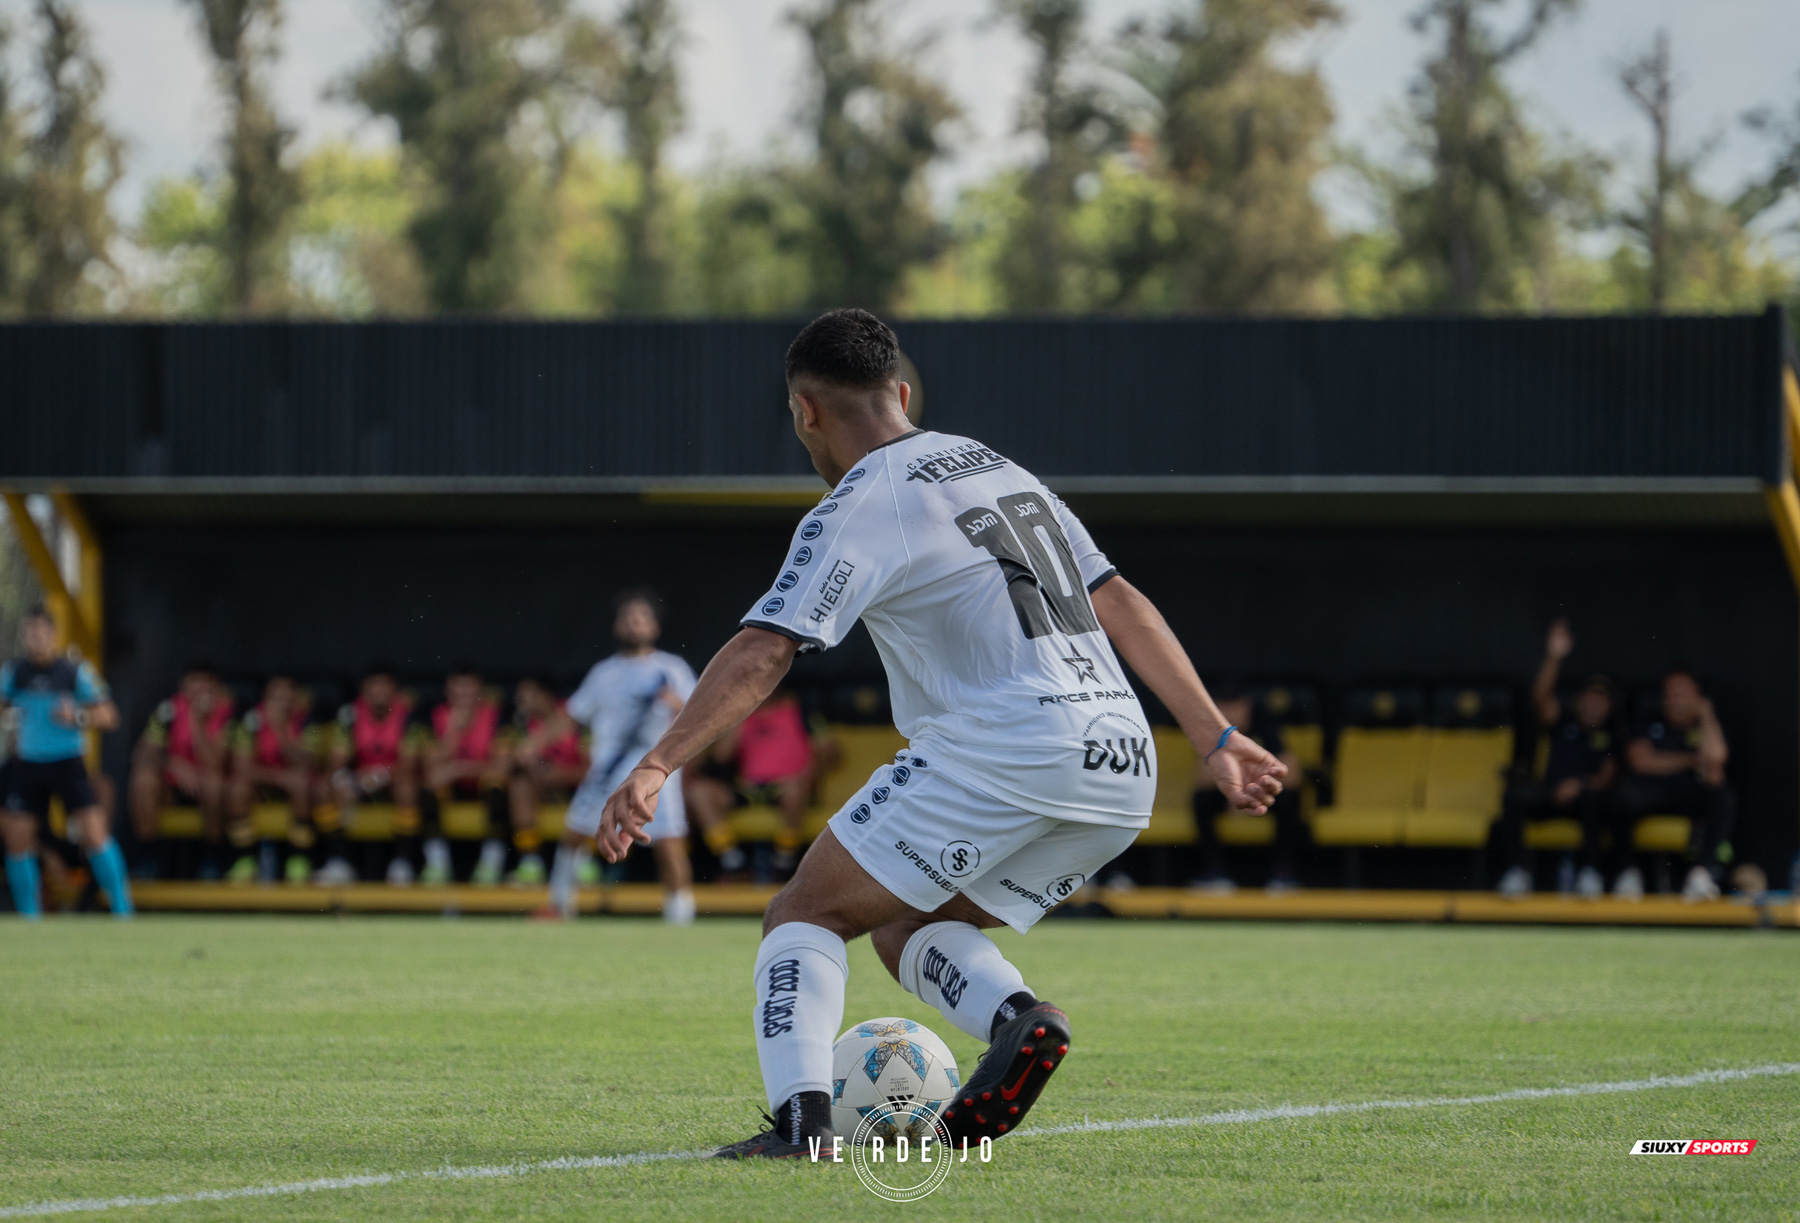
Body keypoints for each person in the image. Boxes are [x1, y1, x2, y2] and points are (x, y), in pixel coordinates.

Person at [595, 310, 1283, 1158]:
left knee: (803, 913)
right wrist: (1215, 738)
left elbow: (766, 648)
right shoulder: (1005, 471)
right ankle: (1020, 1021)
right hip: (1120, 762)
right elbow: (1122, 602)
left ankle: (802, 1127)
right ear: (903, 391)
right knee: (903, 925)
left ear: (805, 412)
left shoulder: (860, 501)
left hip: (1007, 744)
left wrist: (659, 762)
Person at [523, 590, 698, 923]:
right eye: (627, 618)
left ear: (654, 627)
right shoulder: (603, 672)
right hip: (606, 771)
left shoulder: (671, 669)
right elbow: (573, 716)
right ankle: (560, 906)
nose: (634, 623)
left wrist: (675, 702)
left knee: (668, 843)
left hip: (655, 773)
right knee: (573, 835)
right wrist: (535, 741)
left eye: (641, 617)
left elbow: (700, 715)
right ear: (617, 626)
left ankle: (681, 918)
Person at [1, 607, 129, 919]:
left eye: (41, 631)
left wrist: (78, 716)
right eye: (30, 632)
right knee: (18, 839)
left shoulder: (74, 672)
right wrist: (11, 720)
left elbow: (110, 716)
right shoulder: (14, 673)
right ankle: (31, 919)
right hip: (28, 764)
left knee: (95, 835)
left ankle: (124, 911)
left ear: (53, 634)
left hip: (67, 762)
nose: (36, 638)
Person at [1493, 619, 1622, 899]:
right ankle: (1518, 872)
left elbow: (1607, 777)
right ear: (1579, 700)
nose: (1593, 704)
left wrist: (1579, 784)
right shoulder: (1564, 722)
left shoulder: (1612, 734)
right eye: (1589, 697)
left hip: (1584, 798)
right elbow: (1540, 698)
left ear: (1609, 706)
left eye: (1601, 700)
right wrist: (1554, 655)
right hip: (1551, 794)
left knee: (1596, 800)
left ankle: (1590, 874)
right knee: (1513, 797)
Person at [1613, 668, 1736, 902]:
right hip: (1649, 793)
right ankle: (1627, 873)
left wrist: (1706, 715)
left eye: (1684, 693)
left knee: (1723, 797)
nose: (1678, 699)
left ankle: (1701, 874)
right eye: (1672, 693)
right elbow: (1640, 761)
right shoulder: (1649, 721)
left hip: (1687, 795)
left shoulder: (1705, 726)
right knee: (1620, 798)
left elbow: (1716, 767)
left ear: (1698, 697)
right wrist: (1690, 759)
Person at [686, 686, 821, 881]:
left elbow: (830, 752)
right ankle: (731, 860)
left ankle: (784, 859)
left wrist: (809, 774)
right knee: (699, 792)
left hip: (787, 786)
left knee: (794, 789)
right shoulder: (744, 715)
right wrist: (738, 715)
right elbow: (720, 757)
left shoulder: (800, 711)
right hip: (749, 788)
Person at [1188, 681, 1306, 894]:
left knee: (1290, 800)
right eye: (1222, 707)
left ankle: (1283, 875)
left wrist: (1253, 789)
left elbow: (1292, 775)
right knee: (1201, 800)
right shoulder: (1212, 732)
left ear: (1246, 705)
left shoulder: (1264, 724)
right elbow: (1201, 777)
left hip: (1264, 793)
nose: (1229, 712)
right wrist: (1234, 793)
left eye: (1234, 705)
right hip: (1225, 793)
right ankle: (1216, 874)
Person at [127, 663, 236, 879]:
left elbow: (215, 763)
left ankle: (211, 860)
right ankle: (147, 857)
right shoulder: (168, 711)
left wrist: (197, 721)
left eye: (206, 683)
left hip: (209, 789)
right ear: (182, 685)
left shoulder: (227, 714)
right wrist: (172, 763)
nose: (199, 689)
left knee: (214, 782)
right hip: (173, 786)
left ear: (216, 688)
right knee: (143, 778)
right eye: (193, 682)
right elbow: (141, 755)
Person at [228, 675, 330, 884]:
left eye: (287, 695)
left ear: (296, 698)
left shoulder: (308, 721)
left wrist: (282, 733)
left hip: (297, 790)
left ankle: (299, 859)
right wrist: (281, 777)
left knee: (303, 783)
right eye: (276, 696)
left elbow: (308, 764)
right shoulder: (251, 721)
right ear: (265, 698)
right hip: (264, 787)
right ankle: (245, 860)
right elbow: (243, 767)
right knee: (237, 787)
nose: (282, 701)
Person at [326, 668, 420, 886]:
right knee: (332, 786)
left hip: (393, 779)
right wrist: (355, 777)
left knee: (407, 787)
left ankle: (402, 863)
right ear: (363, 692)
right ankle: (341, 862)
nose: (379, 692)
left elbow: (408, 765)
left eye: (385, 686)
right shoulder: (349, 715)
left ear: (395, 691)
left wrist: (381, 774)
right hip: (360, 780)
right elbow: (336, 762)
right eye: (373, 686)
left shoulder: (408, 716)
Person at [420, 666, 511, 886]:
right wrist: (452, 733)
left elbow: (502, 768)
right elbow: (430, 772)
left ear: (480, 690)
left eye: (469, 688)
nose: (463, 694)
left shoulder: (497, 716)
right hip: (450, 790)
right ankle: (437, 864)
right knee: (429, 790)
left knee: (496, 785)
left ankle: (491, 864)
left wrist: (458, 768)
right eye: (457, 688)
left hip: (482, 787)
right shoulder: (434, 716)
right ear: (447, 691)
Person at [504, 676, 587, 885]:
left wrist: (562, 775)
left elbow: (595, 768)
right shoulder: (520, 722)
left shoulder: (576, 717)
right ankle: (530, 862)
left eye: (528, 694)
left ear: (547, 696)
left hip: (579, 787)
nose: (521, 700)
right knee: (519, 786)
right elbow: (507, 765)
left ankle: (587, 863)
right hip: (545, 790)